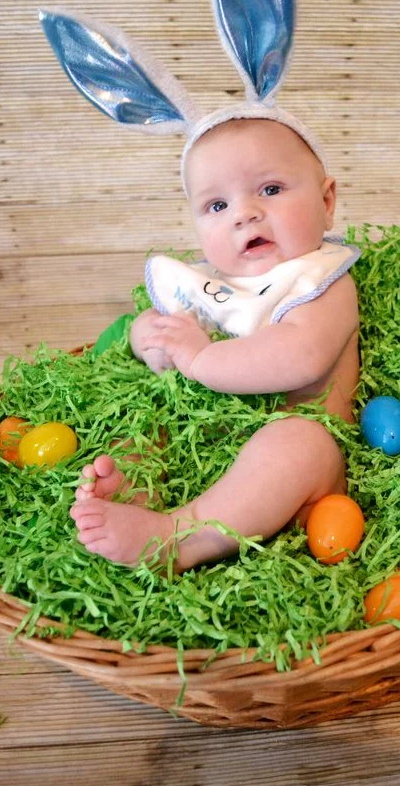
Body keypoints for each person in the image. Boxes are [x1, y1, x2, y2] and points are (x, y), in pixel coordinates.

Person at [70, 116, 361, 572]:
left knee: (298, 446)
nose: (244, 214)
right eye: (218, 204)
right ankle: (140, 486)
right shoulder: (213, 283)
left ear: (326, 202)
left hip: (291, 466)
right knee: (149, 421)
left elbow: (302, 355)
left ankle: (177, 538)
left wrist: (200, 355)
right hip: (205, 444)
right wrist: (149, 338)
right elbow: (171, 346)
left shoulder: (322, 280)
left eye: (270, 190)